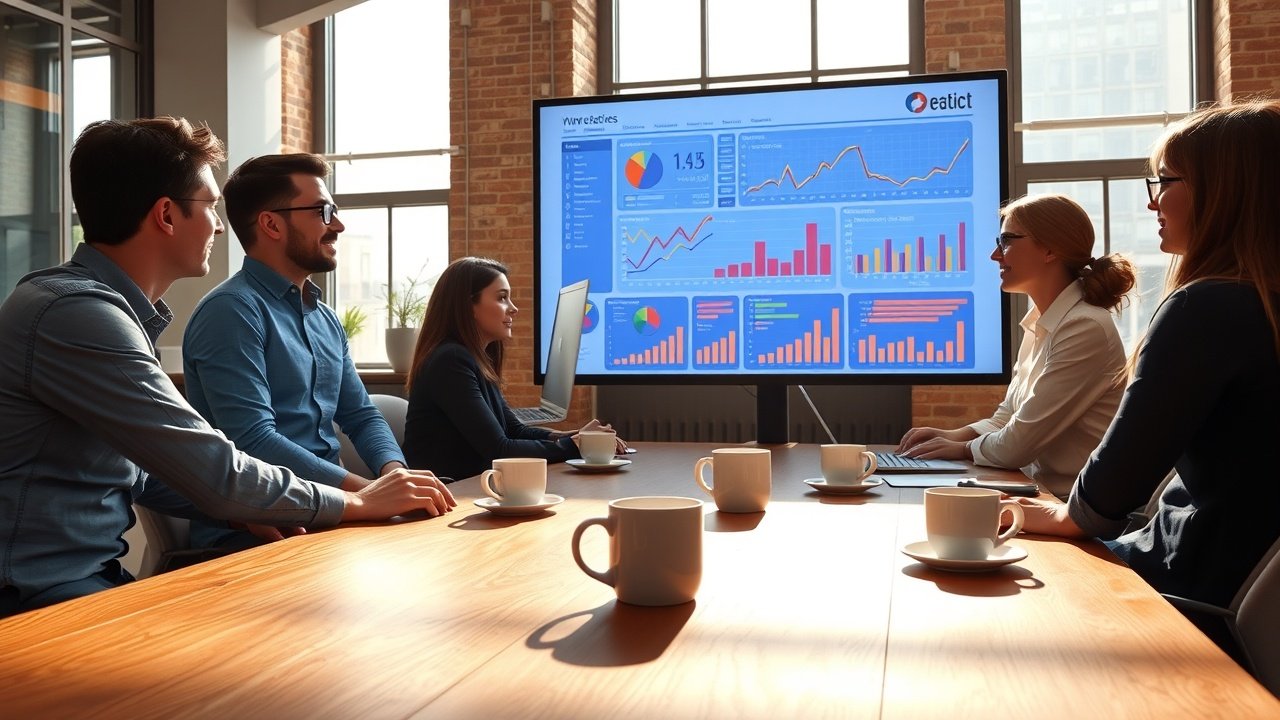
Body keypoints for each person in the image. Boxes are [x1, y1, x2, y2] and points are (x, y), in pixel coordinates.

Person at [0, 118, 454, 616]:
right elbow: (218, 468)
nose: (219, 225)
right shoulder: (76, 314)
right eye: (210, 207)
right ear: (167, 215)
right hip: (34, 595)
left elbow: (146, 475)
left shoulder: (106, 312)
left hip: (88, 578)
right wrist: (358, 502)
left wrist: (250, 512)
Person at [1014, 101, 1280, 647]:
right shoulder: (1260, 306)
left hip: (1188, 595)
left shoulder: (1205, 309)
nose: (1152, 200)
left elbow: (1109, 495)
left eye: (1164, 181)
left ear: (1222, 190)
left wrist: (1062, 516)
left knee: (1006, 580)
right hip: (1232, 590)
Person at [182, 153, 411, 551]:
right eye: (323, 212)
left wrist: (395, 477)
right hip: (258, 539)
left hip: (333, 521)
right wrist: (366, 497)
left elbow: (360, 415)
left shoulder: (324, 318)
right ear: (271, 223)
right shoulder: (231, 312)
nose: (338, 225)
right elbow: (253, 439)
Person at [896, 194, 1135, 498]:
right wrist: (951, 435)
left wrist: (960, 449)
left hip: (1073, 512)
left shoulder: (1085, 327)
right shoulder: (1041, 321)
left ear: (1050, 249)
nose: (995, 255)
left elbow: (1017, 445)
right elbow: (1008, 416)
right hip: (1044, 497)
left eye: (1007, 240)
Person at [402, 257, 624, 479]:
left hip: (470, 489)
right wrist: (574, 446)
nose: (514, 308)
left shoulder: (473, 358)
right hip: (450, 496)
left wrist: (577, 437)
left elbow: (515, 431)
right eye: (502, 298)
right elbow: (500, 450)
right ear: (469, 307)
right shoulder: (450, 360)